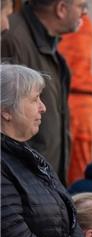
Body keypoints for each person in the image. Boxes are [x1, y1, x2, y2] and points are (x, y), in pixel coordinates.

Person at [1, 64, 83, 237]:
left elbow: (70, 216)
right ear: (6, 111)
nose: (43, 107)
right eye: (35, 99)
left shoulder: (30, 156)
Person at [1, 0, 86, 183]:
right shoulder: (12, 38)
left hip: (41, 180)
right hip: (23, 182)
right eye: (81, 6)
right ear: (61, 8)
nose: (84, 13)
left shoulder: (48, 44)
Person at [59, 14, 92, 185]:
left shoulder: (55, 19)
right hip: (82, 99)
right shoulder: (84, 21)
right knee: (80, 169)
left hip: (65, 97)